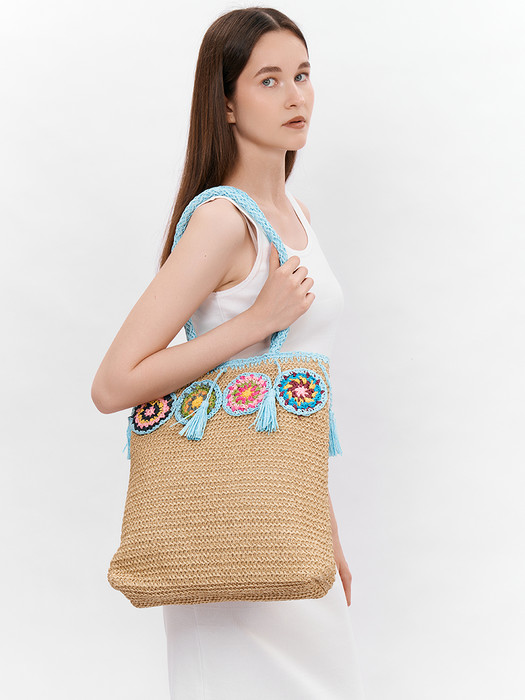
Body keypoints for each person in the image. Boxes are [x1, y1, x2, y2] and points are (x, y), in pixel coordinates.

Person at [92, 6, 367, 699]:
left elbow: (294, 398)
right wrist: (255, 322)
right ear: (226, 104)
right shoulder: (222, 221)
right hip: (223, 528)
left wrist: (325, 528)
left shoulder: (300, 218)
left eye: (302, 75)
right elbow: (114, 383)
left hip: (286, 519)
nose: (295, 96)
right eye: (268, 80)